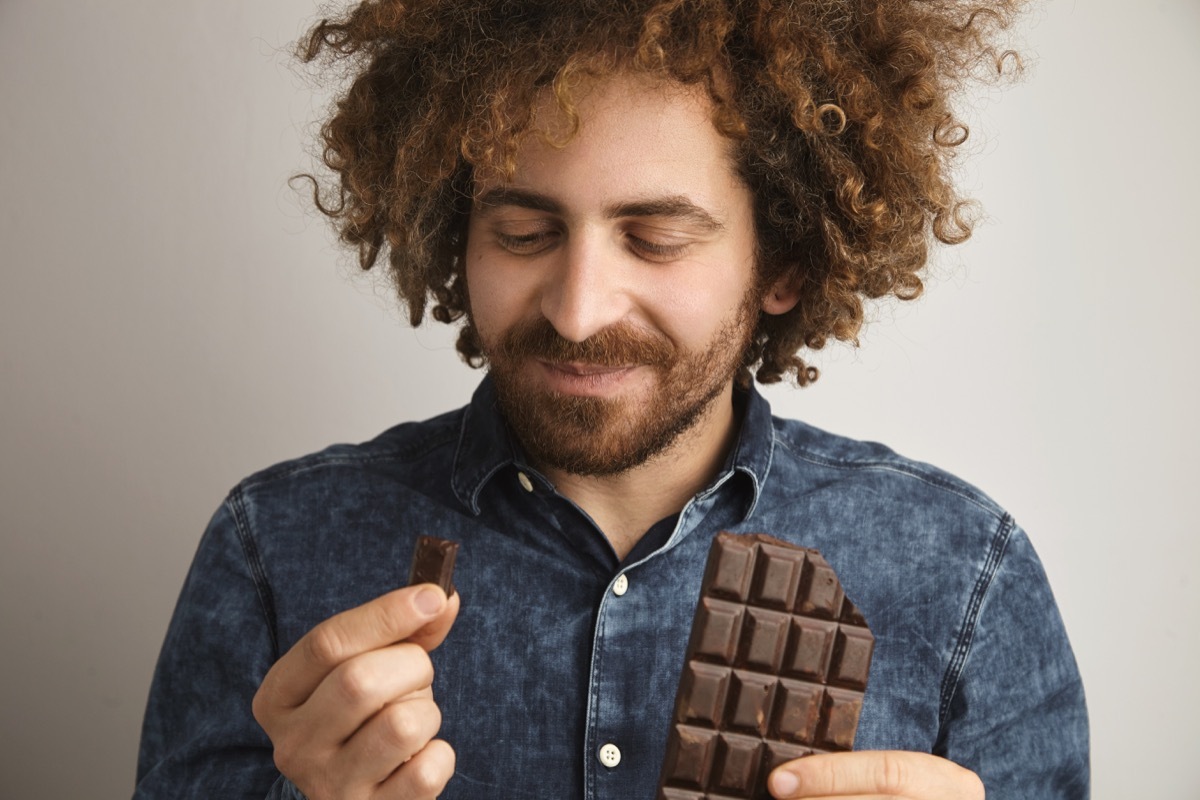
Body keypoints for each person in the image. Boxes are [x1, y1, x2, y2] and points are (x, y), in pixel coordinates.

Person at [134, 1, 1089, 798]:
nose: (580, 311)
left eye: (656, 238)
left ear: (784, 262)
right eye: (521, 231)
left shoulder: (967, 574)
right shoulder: (276, 547)